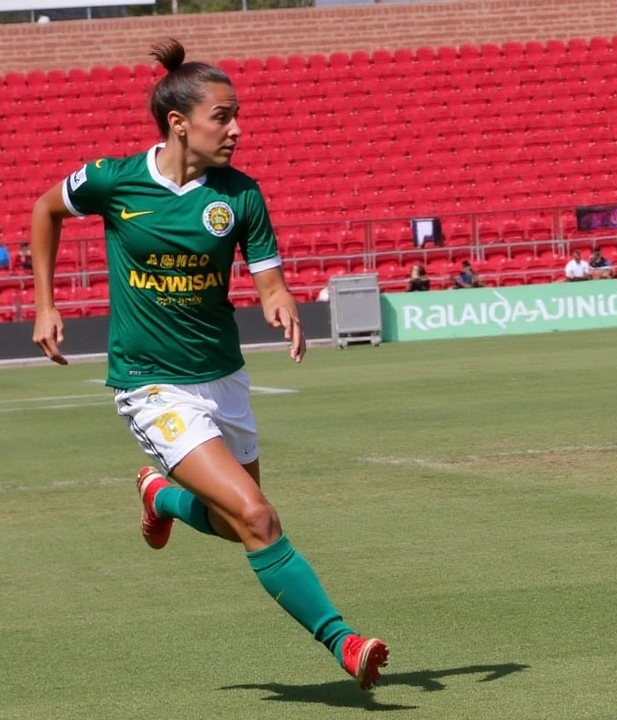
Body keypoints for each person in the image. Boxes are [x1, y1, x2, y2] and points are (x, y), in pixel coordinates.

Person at [27, 39, 388, 690]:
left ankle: (160, 494)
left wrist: (281, 304)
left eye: (236, 114)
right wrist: (45, 304)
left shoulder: (240, 194)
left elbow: (269, 278)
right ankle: (345, 642)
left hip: (223, 376)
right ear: (178, 124)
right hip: (150, 383)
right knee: (258, 517)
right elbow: (44, 211)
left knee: (234, 526)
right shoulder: (114, 179)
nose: (237, 128)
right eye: (223, 116)